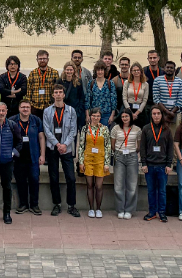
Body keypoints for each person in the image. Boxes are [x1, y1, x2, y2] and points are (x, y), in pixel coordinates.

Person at [43, 84, 80, 217]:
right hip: (53, 148)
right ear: (53, 95)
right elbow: (46, 130)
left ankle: (71, 205)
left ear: (64, 95)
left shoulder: (71, 111)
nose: (58, 94)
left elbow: (73, 130)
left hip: (67, 149)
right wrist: (57, 144)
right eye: (56, 92)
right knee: (54, 178)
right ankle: (56, 204)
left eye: (60, 92)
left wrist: (64, 145)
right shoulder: (47, 111)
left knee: (71, 178)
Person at [10, 99, 45, 215]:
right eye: (23, 107)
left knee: (34, 180)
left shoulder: (36, 120)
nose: (25, 109)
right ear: (19, 108)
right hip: (18, 157)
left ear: (30, 109)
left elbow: (41, 138)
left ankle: (34, 205)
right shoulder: (12, 121)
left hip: (33, 156)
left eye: (27, 107)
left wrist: (42, 155)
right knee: (21, 181)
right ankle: (23, 204)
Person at [141, 105, 173, 222]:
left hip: (162, 165)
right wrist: (143, 163)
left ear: (161, 115)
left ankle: (162, 212)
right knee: (151, 191)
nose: (156, 116)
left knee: (162, 191)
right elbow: (142, 147)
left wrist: (169, 164)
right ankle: (152, 212)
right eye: (154, 114)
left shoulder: (167, 129)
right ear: (151, 115)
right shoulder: (146, 129)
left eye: (158, 114)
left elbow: (170, 148)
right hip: (149, 165)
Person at [78, 107, 111, 218]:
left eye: (98, 116)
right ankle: (91, 208)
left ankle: (99, 208)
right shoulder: (85, 129)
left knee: (99, 186)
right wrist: (81, 161)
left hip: (100, 160)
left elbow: (108, 146)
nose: (96, 118)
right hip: (88, 159)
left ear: (100, 117)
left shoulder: (105, 129)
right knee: (90, 185)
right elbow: (81, 146)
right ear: (90, 116)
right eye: (94, 116)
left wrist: (107, 163)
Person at [111, 108, 140, 219]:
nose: (124, 118)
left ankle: (129, 210)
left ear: (131, 117)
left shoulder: (137, 129)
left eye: (126, 116)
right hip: (119, 156)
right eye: (123, 117)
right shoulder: (115, 128)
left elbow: (138, 146)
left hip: (132, 156)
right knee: (118, 185)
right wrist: (119, 151)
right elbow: (113, 145)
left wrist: (132, 152)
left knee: (132, 185)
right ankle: (120, 209)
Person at [152, 61, 182, 134]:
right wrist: (166, 112)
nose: (169, 69)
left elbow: (180, 99)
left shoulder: (180, 82)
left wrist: (172, 112)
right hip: (161, 113)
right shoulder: (157, 80)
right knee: (161, 136)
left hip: (176, 113)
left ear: (174, 70)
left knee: (174, 136)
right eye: (168, 67)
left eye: (171, 68)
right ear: (164, 69)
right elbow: (156, 99)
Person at [27, 50, 60, 118]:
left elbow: (57, 89)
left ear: (48, 59)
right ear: (37, 60)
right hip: (35, 107)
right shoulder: (32, 73)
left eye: (44, 58)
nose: (42, 60)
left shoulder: (54, 73)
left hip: (49, 106)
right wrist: (29, 106)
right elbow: (29, 91)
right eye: (40, 59)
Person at [86, 60, 117, 127]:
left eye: (102, 70)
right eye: (98, 70)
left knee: (104, 134)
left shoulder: (110, 83)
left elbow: (113, 100)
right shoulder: (91, 83)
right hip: (94, 115)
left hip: (106, 114)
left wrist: (112, 115)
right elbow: (87, 100)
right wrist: (87, 115)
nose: (100, 72)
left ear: (104, 71)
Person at [58, 62, 85, 136]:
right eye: (67, 70)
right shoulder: (60, 81)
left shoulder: (78, 82)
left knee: (73, 134)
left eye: (71, 70)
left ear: (74, 71)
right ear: (64, 70)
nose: (69, 72)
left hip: (75, 111)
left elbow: (81, 97)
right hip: (63, 111)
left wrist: (78, 111)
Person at [122, 62, 150, 128]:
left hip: (140, 110)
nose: (136, 72)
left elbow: (145, 100)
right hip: (128, 108)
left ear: (141, 71)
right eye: (134, 70)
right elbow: (124, 98)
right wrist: (130, 112)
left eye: (138, 70)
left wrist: (137, 113)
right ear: (131, 72)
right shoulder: (127, 83)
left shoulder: (145, 84)